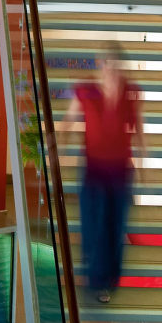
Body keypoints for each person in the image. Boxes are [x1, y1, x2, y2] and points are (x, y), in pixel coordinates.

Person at [60, 47, 145, 303]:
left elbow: (137, 128)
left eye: (117, 64)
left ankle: (108, 278)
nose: (112, 69)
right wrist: (60, 148)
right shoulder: (86, 90)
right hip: (94, 169)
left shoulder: (131, 92)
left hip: (120, 171)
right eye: (108, 63)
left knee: (114, 224)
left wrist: (145, 165)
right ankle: (97, 280)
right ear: (100, 64)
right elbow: (68, 121)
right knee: (94, 223)